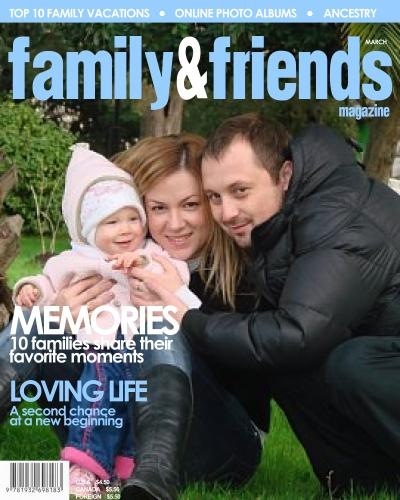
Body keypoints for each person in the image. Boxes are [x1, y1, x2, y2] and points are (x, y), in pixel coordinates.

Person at [140, 113, 400, 495]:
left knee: (353, 363)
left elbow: (296, 333)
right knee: (292, 366)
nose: (227, 213)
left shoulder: (337, 218)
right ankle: (362, 485)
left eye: (240, 191)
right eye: (215, 197)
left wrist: (188, 317)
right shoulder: (287, 220)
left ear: (284, 175)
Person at [0, 134, 262, 500]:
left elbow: (250, 364)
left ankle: (153, 473)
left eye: (190, 204)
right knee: (38, 322)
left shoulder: (241, 268)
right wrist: (54, 314)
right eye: (158, 208)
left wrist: (179, 307)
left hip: (215, 443)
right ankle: (83, 477)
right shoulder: (110, 262)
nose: (175, 223)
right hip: (106, 437)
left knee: (156, 322)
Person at [12, 145, 200, 495]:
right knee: (93, 389)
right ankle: (88, 466)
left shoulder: (148, 252)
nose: (125, 229)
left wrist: (148, 273)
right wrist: (33, 293)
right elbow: (47, 281)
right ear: (88, 229)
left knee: (130, 393)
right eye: (111, 222)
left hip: (144, 360)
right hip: (98, 352)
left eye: (132, 219)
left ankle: (129, 468)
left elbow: (171, 273)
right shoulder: (75, 260)